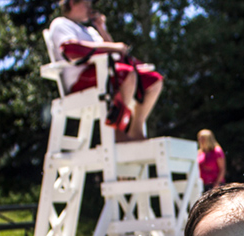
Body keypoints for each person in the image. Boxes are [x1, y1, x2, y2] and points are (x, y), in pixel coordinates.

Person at [49, 0, 163, 141]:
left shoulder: (90, 31)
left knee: (153, 81)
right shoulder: (61, 24)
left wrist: (101, 28)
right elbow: (71, 49)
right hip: (80, 81)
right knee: (126, 75)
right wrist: (113, 48)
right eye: (86, 4)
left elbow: (116, 54)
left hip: (106, 74)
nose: (90, 8)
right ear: (72, 3)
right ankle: (117, 132)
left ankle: (136, 130)